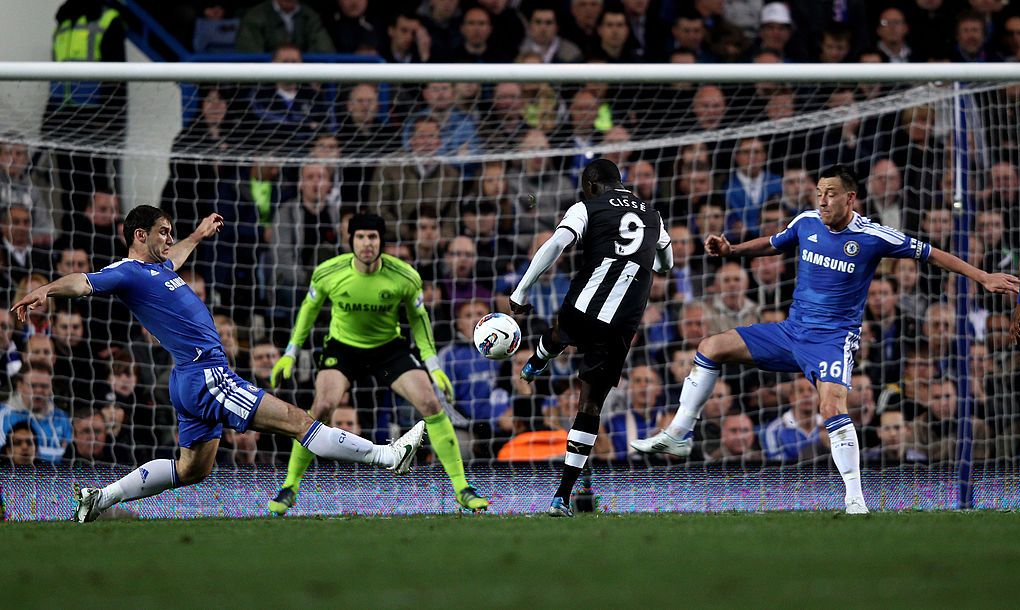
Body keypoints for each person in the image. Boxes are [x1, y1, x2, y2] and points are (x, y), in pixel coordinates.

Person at [632, 165, 1018, 514]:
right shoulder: (806, 222)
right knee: (710, 346)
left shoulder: (872, 236)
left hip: (833, 341)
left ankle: (855, 499)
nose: (822, 200)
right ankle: (680, 434)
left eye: (830, 193)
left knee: (832, 407)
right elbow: (772, 242)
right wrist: (733, 249)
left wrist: (982, 277)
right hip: (790, 332)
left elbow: (932, 254)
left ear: (850, 197)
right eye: (819, 192)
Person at [10, 205, 425, 523]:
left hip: (189, 378)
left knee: (192, 469)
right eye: (163, 232)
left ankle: (100, 498)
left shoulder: (158, 269)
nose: (170, 240)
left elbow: (179, 256)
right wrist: (45, 290)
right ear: (140, 235)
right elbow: (83, 282)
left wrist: (197, 234)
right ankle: (387, 457)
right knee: (299, 421)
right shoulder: (128, 272)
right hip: (207, 374)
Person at [266, 213, 489, 514]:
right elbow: (308, 310)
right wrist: (291, 353)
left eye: (372, 237)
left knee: (430, 402)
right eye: (360, 237)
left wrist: (433, 366)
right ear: (351, 240)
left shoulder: (405, 276)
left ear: (381, 241)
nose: (366, 243)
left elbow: (418, 320)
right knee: (321, 408)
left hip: (387, 350)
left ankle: (462, 488)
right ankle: (289, 487)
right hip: (344, 348)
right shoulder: (328, 272)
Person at [509, 158, 672, 517]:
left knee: (560, 332)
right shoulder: (653, 215)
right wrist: (649, 260)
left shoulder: (587, 206)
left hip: (585, 303)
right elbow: (666, 263)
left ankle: (538, 359)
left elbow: (556, 245)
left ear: (591, 185)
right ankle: (561, 498)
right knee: (589, 406)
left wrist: (521, 291)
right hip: (621, 323)